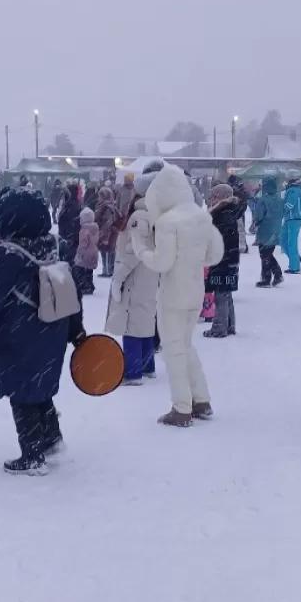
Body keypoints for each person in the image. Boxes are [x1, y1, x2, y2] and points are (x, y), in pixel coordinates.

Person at [0, 190, 85, 475]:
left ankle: (32, 454)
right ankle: (51, 438)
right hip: (53, 330)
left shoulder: (9, 254)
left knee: (21, 393)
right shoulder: (55, 246)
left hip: (18, 336)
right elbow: (71, 291)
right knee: (41, 387)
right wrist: (75, 329)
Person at [132, 164, 224, 427]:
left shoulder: (167, 222)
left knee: (174, 350)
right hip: (195, 291)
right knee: (186, 345)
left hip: (173, 293)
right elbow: (214, 255)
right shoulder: (200, 216)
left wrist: (141, 249)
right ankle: (202, 400)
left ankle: (182, 408)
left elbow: (162, 263)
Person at [106, 190, 160, 385]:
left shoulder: (138, 218)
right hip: (150, 276)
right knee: (144, 321)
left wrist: (118, 278)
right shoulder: (155, 216)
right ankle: (148, 366)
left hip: (134, 278)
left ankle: (133, 371)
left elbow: (133, 252)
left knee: (131, 325)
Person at [204, 184, 241, 337]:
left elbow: (219, 238)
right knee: (226, 293)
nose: (211, 199)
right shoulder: (229, 212)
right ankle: (230, 325)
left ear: (220, 197)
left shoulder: (222, 214)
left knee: (221, 294)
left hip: (222, 259)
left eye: (214, 196)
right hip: (229, 258)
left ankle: (219, 328)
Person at [253, 176, 284, 288]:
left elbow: (259, 215)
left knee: (264, 254)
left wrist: (256, 222)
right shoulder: (280, 199)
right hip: (276, 229)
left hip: (265, 230)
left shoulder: (263, 200)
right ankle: (276, 275)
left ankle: (267, 278)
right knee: (268, 253)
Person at [280, 177, 301, 274]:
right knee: (284, 240)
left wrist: (280, 211)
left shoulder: (293, 191)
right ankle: (295, 259)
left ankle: (294, 267)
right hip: (291, 218)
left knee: (290, 242)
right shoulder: (297, 190)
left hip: (293, 218)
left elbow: (289, 205)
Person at [95, 186, 120, 277]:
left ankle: (107, 271)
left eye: (100, 196)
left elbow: (107, 222)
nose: (98, 198)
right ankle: (108, 270)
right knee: (107, 252)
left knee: (106, 252)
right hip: (109, 233)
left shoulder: (107, 207)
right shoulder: (108, 206)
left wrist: (103, 234)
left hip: (107, 234)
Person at [73, 207, 99, 295]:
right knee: (89, 270)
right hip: (94, 251)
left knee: (81, 268)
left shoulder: (84, 229)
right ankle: (90, 285)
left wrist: (79, 252)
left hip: (85, 252)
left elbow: (83, 243)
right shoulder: (95, 228)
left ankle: (84, 286)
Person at [57, 184, 82, 263]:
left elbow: (72, 223)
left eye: (65, 194)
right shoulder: (69, 205)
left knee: (69, 262)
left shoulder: (73, 206)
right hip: (66, 238)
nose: (63, 196)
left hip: (70, 239)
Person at [227, 174, 249, 254]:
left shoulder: (229, 189)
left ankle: (235, 246)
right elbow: (245, 200)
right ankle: (242, 246)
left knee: (233, 229)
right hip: (239, 212)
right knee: (241, 229)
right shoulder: (240, 189)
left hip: (232, 212)